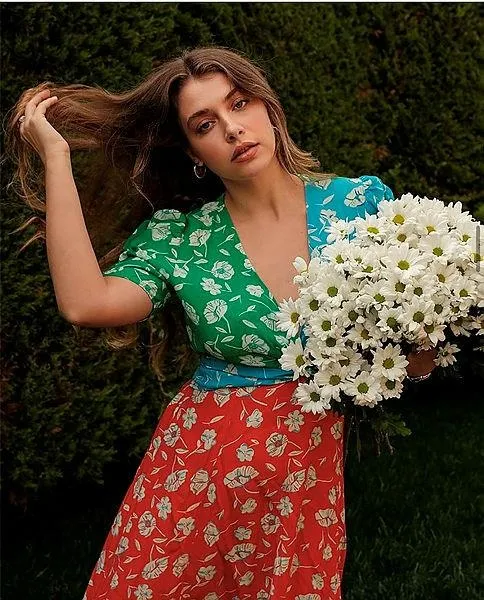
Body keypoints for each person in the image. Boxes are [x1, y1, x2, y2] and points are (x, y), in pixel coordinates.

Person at [8, 46, 436, 600]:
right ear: (193, 152)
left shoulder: (360, 207)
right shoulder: (181, 238)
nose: (232, 129)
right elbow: (86, 304)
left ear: (269, 107)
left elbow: (412, 362)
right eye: (205, 124)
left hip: (302, 487)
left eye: (239, 104)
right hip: (196, 475)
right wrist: (57, 159)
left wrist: (431, 322)